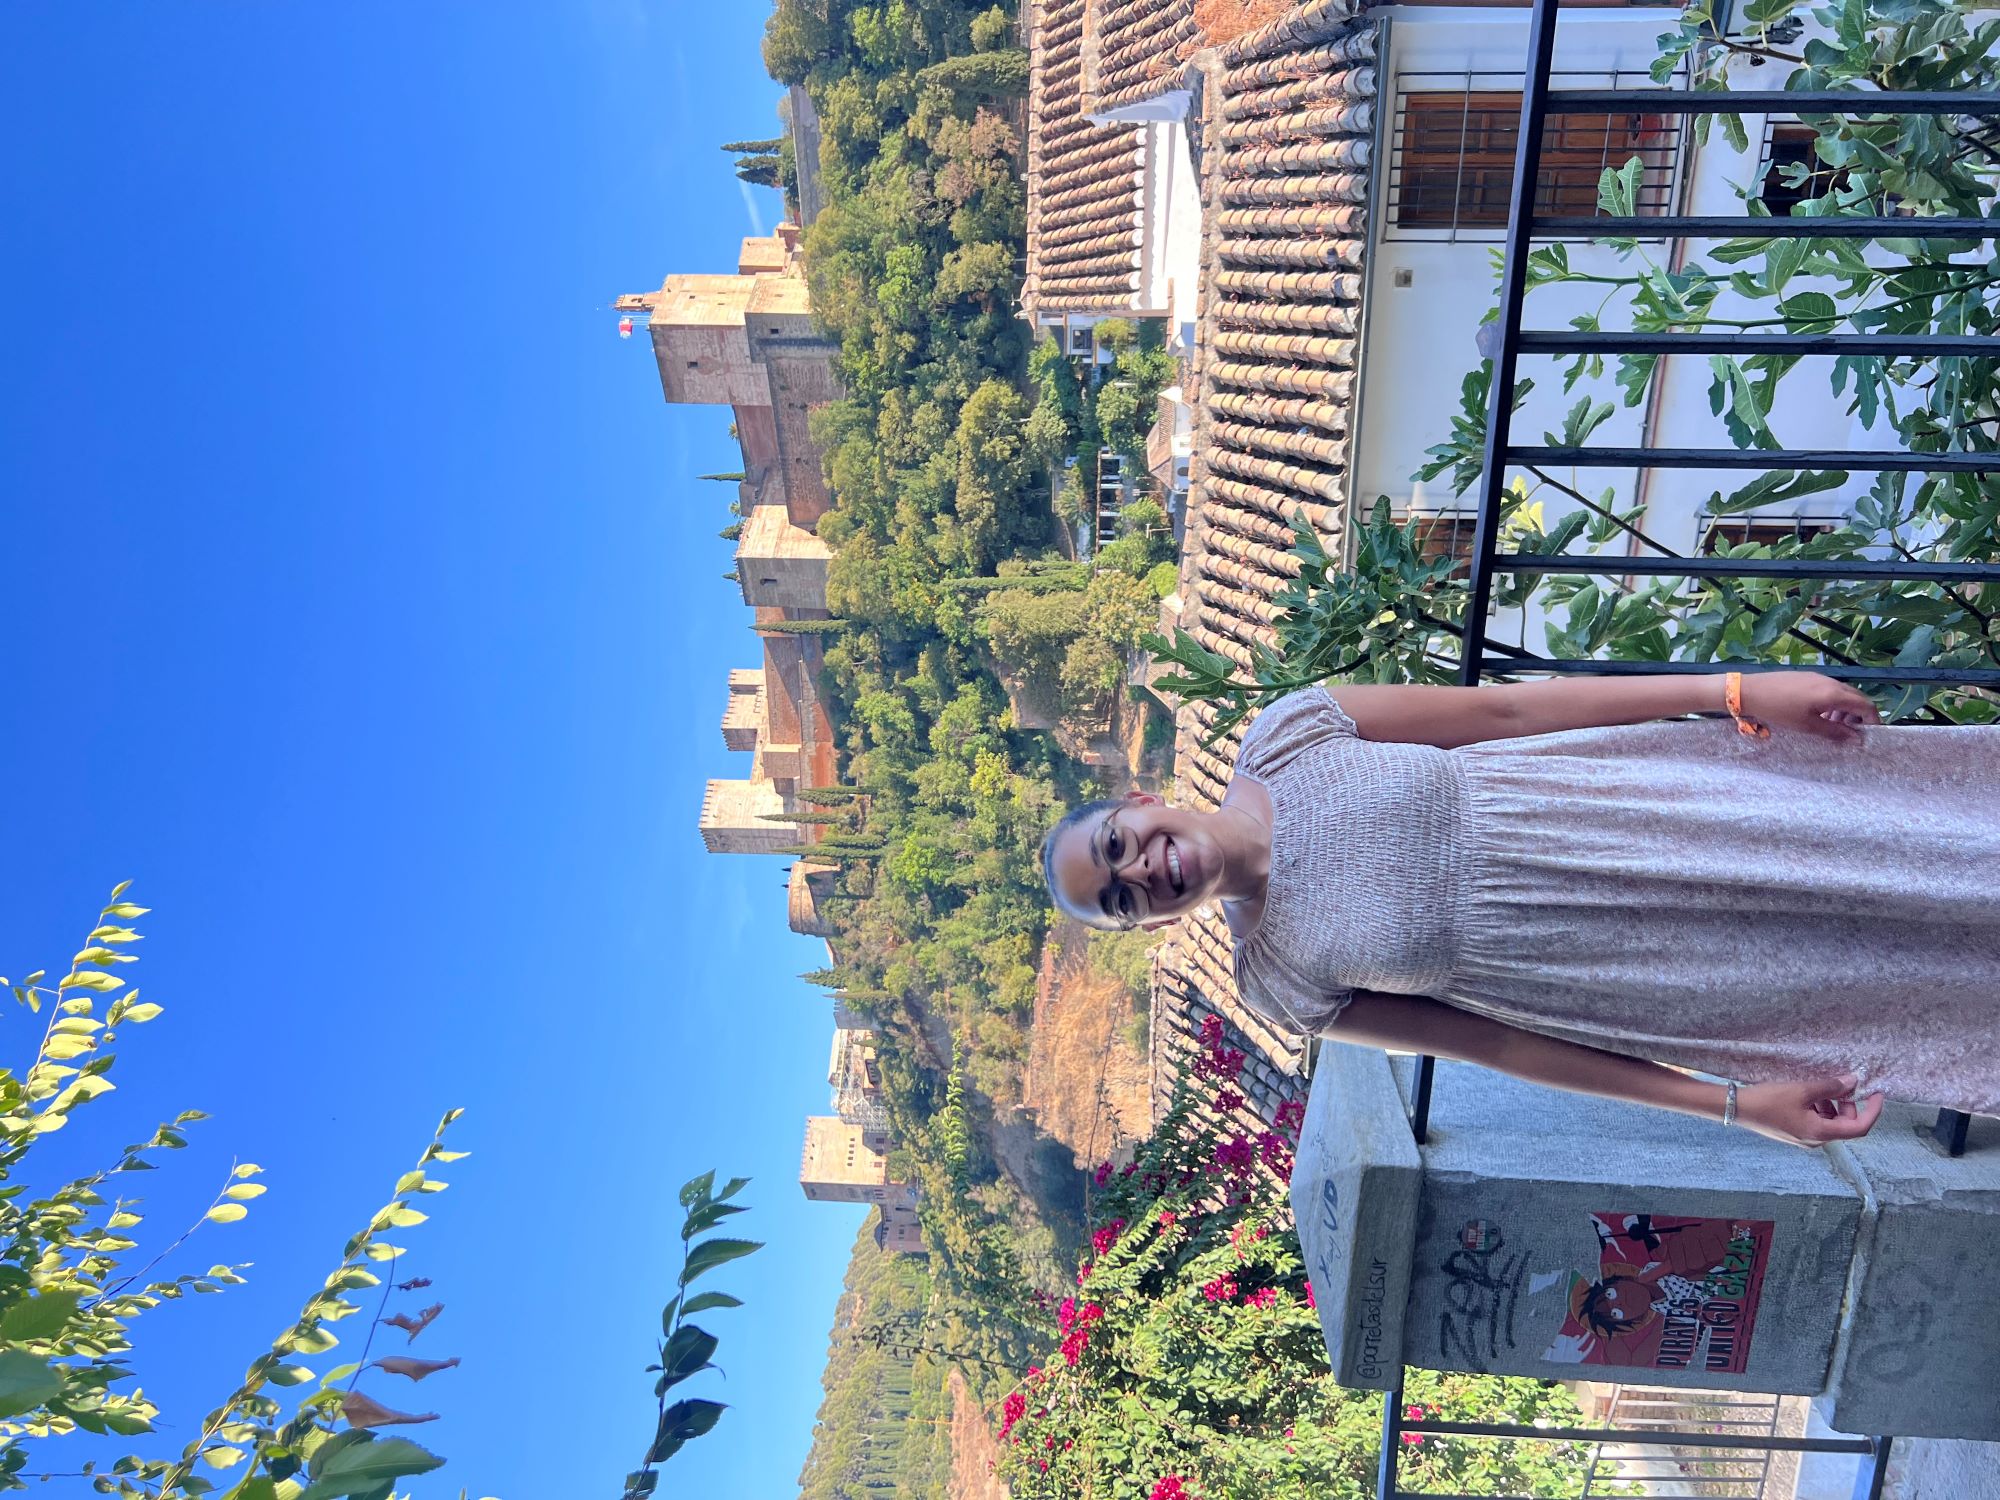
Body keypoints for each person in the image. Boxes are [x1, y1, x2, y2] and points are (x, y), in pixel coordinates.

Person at [1041, 670, 2000, 1147]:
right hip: (1657, 981)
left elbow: (1511, 714)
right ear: (1151, 925)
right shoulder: (1285, 984)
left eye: (1119, 848)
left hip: (1654, 815)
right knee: (1906, 992)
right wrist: (1737, 1106)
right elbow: (1499, 1050)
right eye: (1123, 899)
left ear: (1136, 803)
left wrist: (1733, 690)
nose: (1147, 872)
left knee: (1922, 847)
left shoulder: (1292, 733)